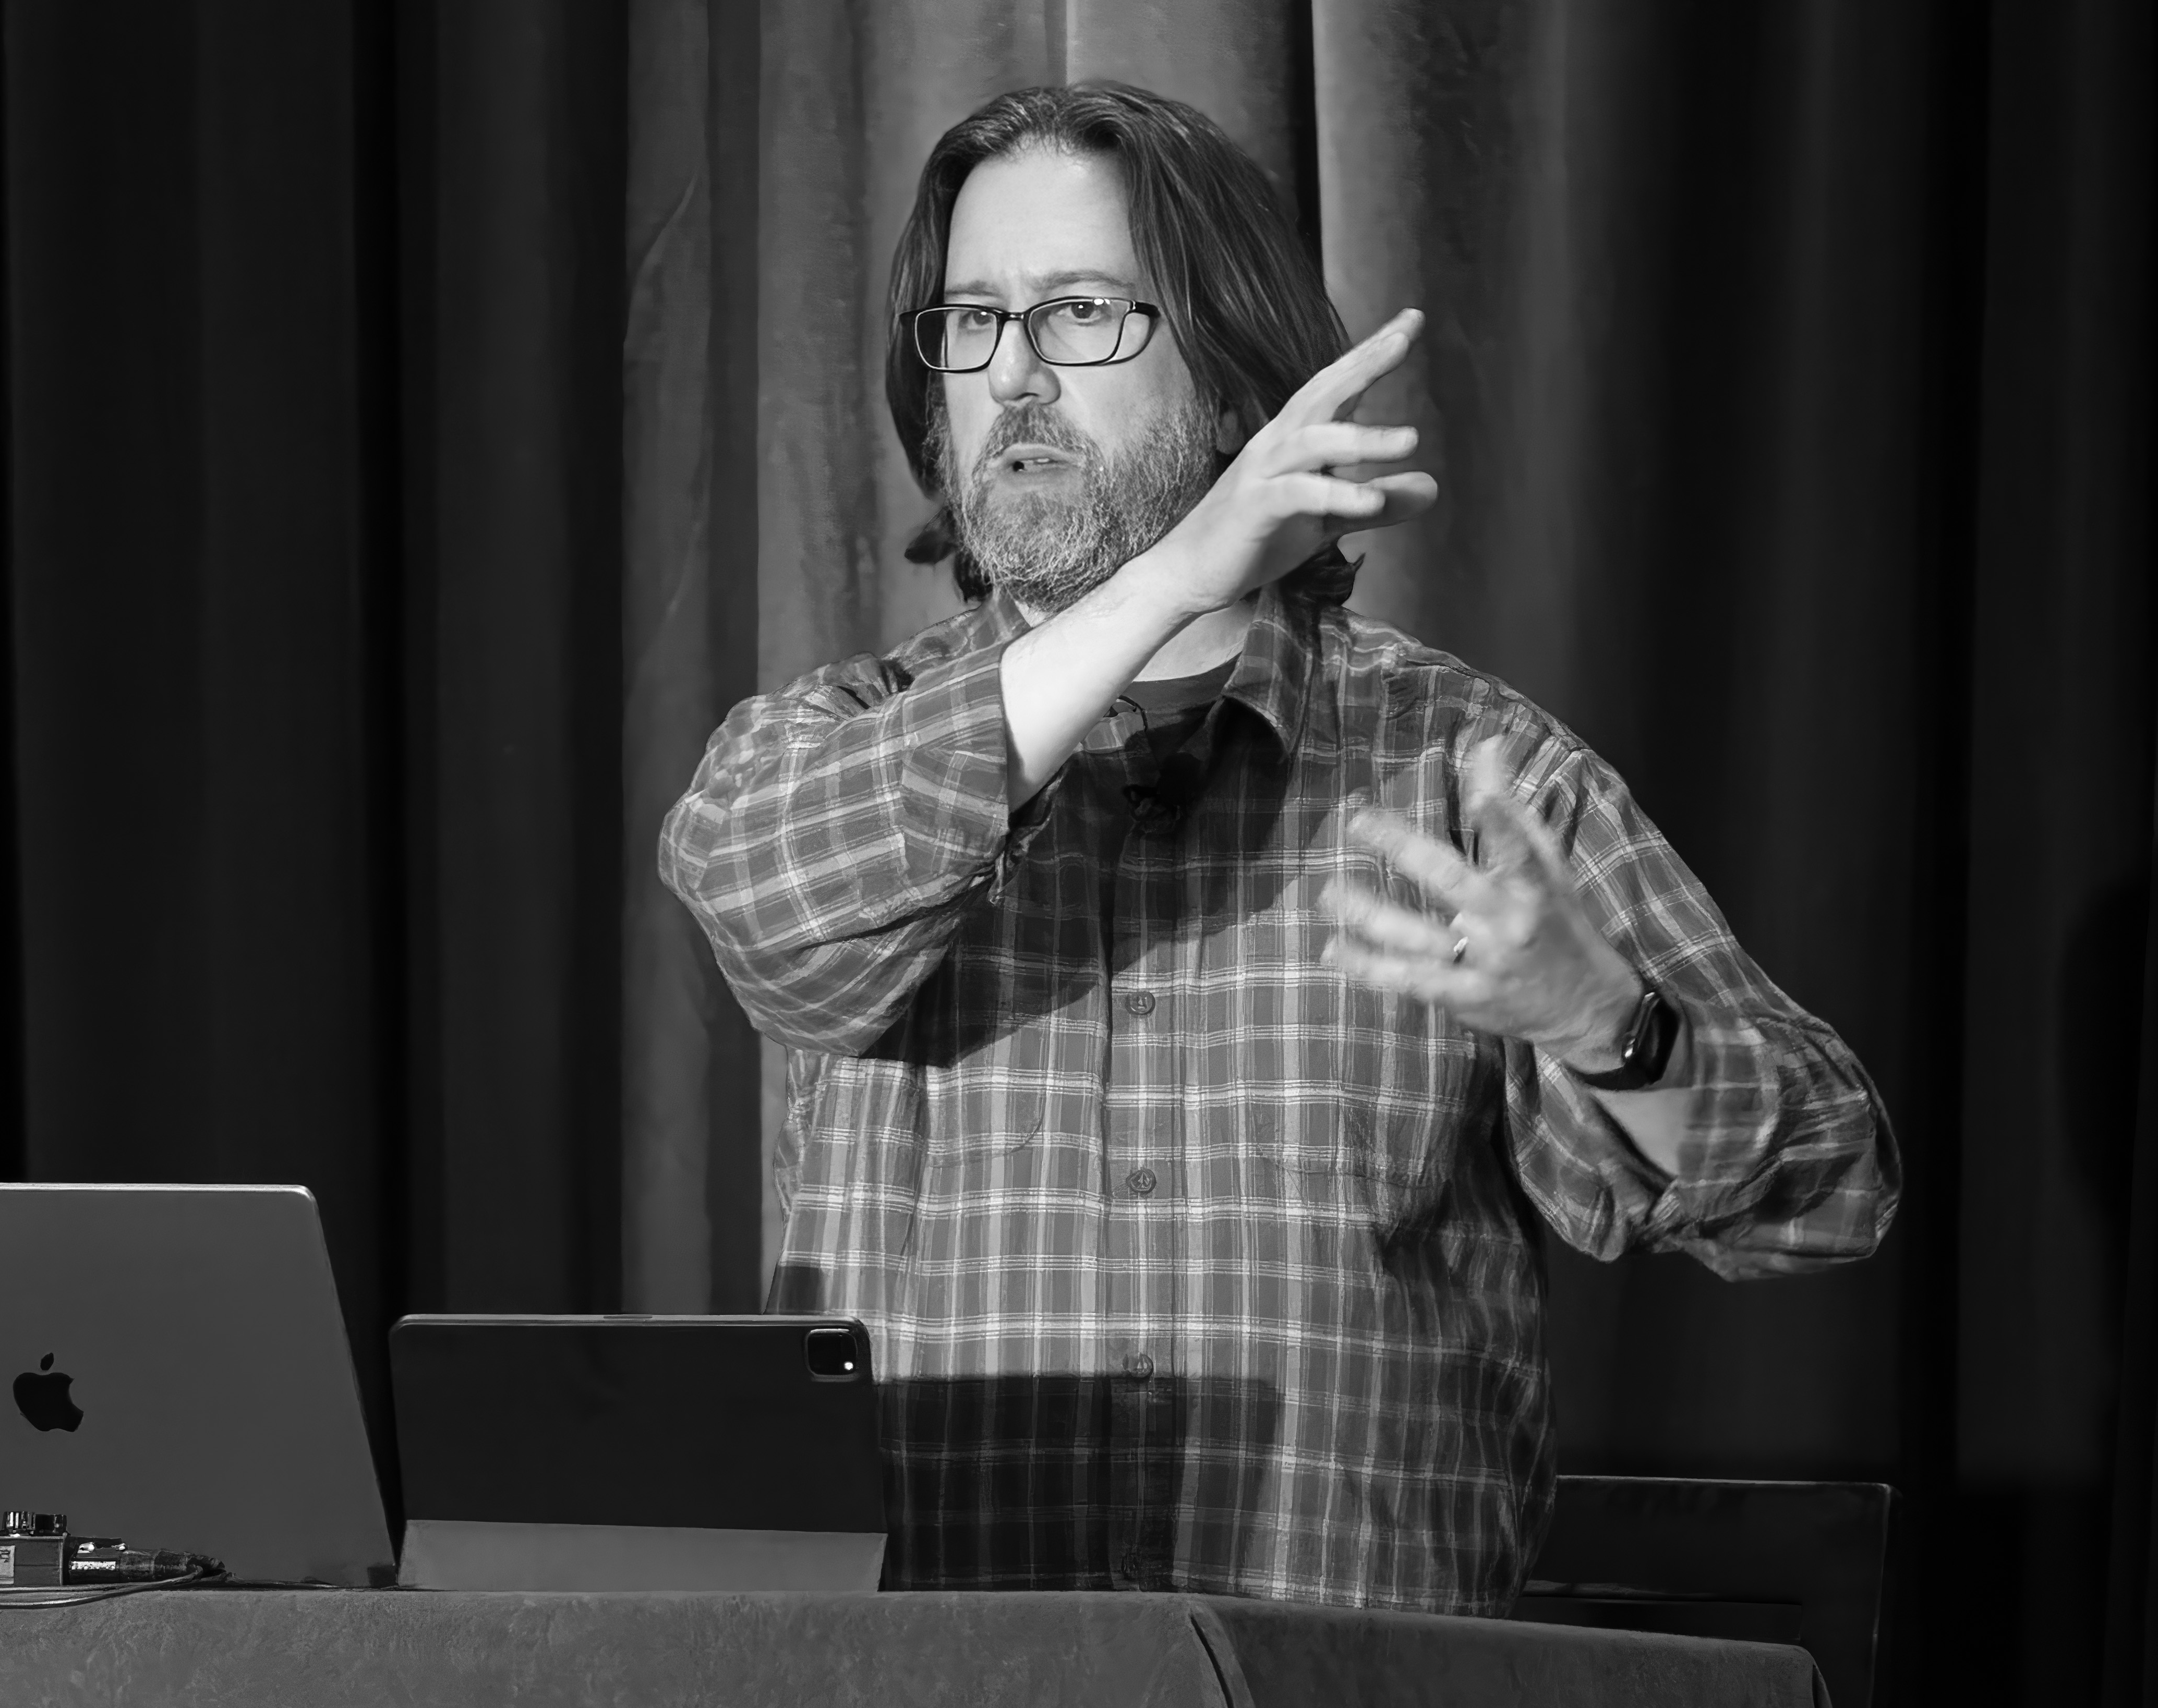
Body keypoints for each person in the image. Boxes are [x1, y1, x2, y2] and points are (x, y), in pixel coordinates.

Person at [658, 82, 1899, 1615]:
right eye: (972, 322)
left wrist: (1611, 1027)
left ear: (1241, 375)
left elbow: (1830, 1192)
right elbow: (771, 907)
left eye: (1082, 313)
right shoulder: (833, 743)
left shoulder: (1461, 770)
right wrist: (1179, 571)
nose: (1013, 376)